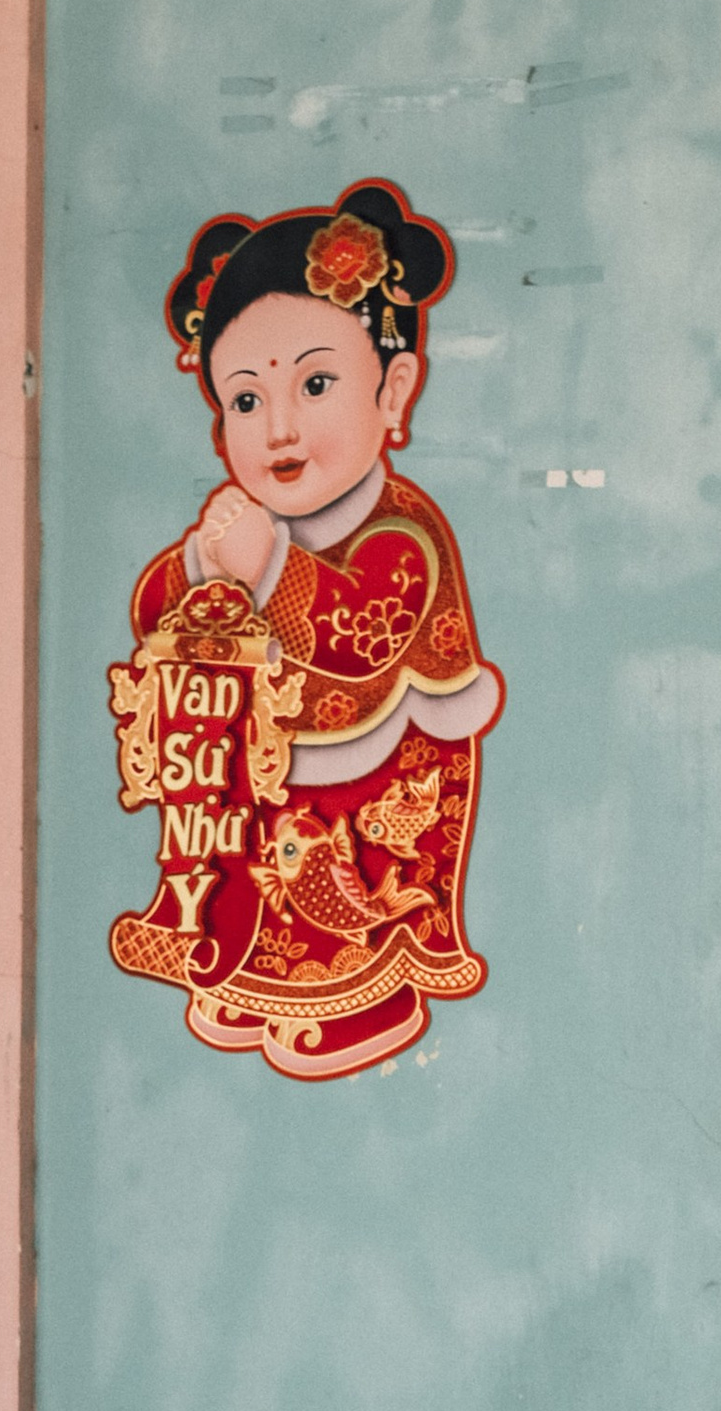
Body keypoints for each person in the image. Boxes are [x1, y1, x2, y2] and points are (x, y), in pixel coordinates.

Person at [106, 179, 504, 1080]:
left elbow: (361, 631)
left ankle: (362, 997)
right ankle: (239, 976)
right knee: (245, 882)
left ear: (394, 389)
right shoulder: (243, 524)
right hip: (270, 766)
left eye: (316, 384)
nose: (277, 428)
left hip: (370, 780)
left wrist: (274, 571)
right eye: (244, 402)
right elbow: (157, 610)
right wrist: (204, 567)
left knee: (343, 898)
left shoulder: (405, 531)